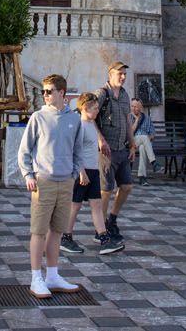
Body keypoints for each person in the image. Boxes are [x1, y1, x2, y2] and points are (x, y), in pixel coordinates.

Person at [17, 73, 87, 300]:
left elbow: (78, 149)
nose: (44, 95)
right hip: (43, 181)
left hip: (65, 181)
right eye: (43, 91)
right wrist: (28, 174)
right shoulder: (38, 117)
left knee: (58, 230)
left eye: (49, 91)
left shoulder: (74, 119)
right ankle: (36, 277)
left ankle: (53, 275)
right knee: (38, 231)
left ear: (62, 93)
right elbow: (24, 151)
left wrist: (74, 172)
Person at [62, 92, 124, 255]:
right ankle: (65, 238)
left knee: (96, 205)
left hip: (94, 171)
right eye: (95, 108)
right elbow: (73, 150)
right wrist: (81, 172)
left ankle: (104, 239)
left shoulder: (91, 125)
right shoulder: (80, 125)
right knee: (75, 206)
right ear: (84, 108)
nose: (98, 111)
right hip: (82, 172)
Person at [94, 61, 135, 243]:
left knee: (126, 187)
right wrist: (100, 139)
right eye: (120, 74)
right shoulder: (102, 94)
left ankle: (112, 219)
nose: (123, 77)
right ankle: (100, 229)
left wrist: (132, 144)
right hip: (107, 150)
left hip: (122, 148)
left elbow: (127, 122)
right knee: (106, 190)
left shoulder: (126, 96)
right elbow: (88, 117)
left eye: (125, 74)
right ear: (110, 74)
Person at [130, 98, 156, 179]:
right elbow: (130, 133)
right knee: (144, 138)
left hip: (144, 143)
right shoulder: (129, 117)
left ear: (140, 108)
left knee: (142, 148)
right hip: (132, 141)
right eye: (132, 106)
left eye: (136, 107)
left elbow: (152, 133)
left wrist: (150, 136)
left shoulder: (147, 118)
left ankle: (142, 176)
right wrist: (137, 120)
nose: (133, 108)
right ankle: (154, 162)